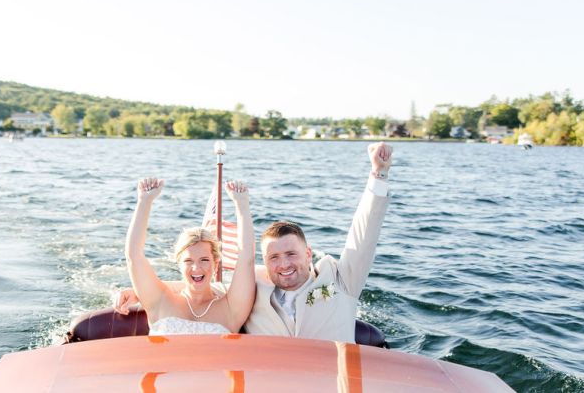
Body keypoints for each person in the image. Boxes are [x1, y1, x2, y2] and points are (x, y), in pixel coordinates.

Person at [118, 142, 392, 342]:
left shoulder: (340, 281)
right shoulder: (259, 286)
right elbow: (210, 279)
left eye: (291, 254)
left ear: (308, 253)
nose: (283, 265)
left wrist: (378, 175)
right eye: (273, 258)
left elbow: (364, 235)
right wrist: (140, 290)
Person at [125, 177, 255, 335]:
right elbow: (134, 255)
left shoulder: (230, 308)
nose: (196, 268)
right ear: (178, 263)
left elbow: (246, 258)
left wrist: (242, 204)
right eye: (188, 261)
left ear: (216, 262)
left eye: (204, 260)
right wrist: (144, 201)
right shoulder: (160, 300)